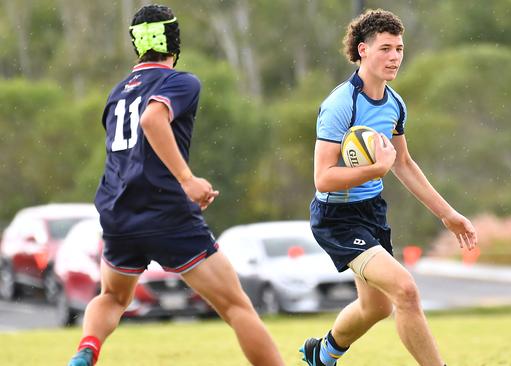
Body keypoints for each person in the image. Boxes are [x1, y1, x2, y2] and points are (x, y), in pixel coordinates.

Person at [67, 4, 284, 366]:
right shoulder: (180, 81)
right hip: (166, 212)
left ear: (137, 44)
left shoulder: (118, 92)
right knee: (236, 306)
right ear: (174, 41)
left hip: (118, 213)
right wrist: (188, 179)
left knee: (113, 298)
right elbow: (154, 119)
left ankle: (87, 350)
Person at [299, 9, 478, 366]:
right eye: (385, 48)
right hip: (337, 217)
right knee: (405, 291)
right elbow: (323, 178)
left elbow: (404, 164)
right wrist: (375, 169)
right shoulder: (340, 105)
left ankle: (322, 354)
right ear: (362, 50)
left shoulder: (395, 104)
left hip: (371, 212)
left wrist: (449, 214)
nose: (394, 56)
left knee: (375, 307)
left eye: (399, 48)